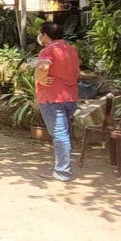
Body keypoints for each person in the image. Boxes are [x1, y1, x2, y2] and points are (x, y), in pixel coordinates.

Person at [35, 21, 80, 182]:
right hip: (70, 97)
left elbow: (43, 67)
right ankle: (62, 168)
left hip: (53, 98)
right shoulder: (70, 50)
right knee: (63, 134)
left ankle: (62, 172)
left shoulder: (48, 50)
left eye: (40, 34)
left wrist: (40, 79)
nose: (39, 37)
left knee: (60, 135)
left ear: (45, 35)